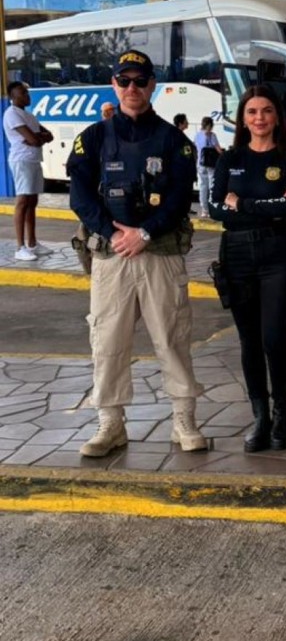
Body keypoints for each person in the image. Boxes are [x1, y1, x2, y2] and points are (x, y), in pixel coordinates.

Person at [67, 49, 207, 458]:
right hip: (112, 255)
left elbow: (179, 199)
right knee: (107, 341)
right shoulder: (93, 138)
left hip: (160, 253)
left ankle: (184, 419)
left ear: (152, 86)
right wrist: (113, 233)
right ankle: (110, 423)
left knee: (172, 338)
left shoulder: (174, 141)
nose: (132, 88)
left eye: (140, 81)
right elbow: (80, 196)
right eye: (124, 81)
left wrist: (145, 232)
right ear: (114, 85)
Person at [209, 85, 286, 451]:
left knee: (274, 340)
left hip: (277, 253)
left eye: (266, 110)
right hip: (235, 254)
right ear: (243, 118)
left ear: (277, 117)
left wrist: (243, 203)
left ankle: (282, 417)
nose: (259, 118)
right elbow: (215, 207)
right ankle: (260, 418)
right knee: (249, 341)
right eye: (252, 111)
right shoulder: (229, 158)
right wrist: (263, 205)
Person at [3, 81, 54, 261]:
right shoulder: (11, 114)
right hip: (22, 160)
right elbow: (33, 140)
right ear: (13, 97)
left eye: (26, 92)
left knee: (32, 201)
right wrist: (37, 138)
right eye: (22, 93)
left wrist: (38, 137)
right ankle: (20, 247)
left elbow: (49, 136)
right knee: (23, 201)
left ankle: (32, 243)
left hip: (34, 160)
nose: (27, 96)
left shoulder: (29, 116)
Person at [194, 116, 222, 218]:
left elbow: (195, 148)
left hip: (200, 164)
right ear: (209, 125)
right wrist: (224, 155)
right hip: (210, 165)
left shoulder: (197, 135)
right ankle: (211, 209)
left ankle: (204, 210)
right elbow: (218, 149)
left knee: (202, 187)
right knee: (211, 186)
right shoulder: (212, 135)